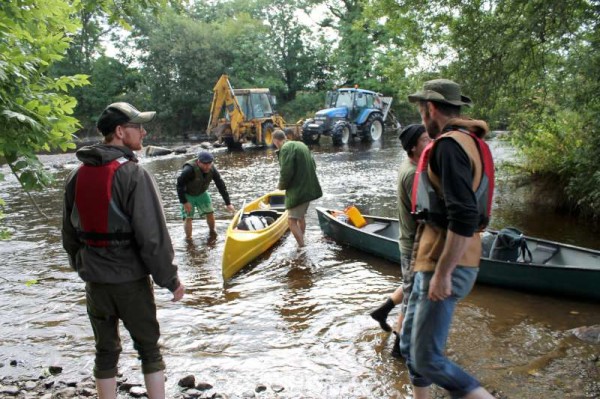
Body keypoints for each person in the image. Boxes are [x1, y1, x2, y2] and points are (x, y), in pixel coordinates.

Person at [61, 102, 186, 399]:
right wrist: (170, 280)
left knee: (105, 351)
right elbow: (152, 237)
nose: (143, 131)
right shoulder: (133, 175)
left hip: (95, 282)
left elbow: (68, 235)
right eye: (137, 126)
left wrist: (83, 266)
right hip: (130, 281)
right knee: (149, 349)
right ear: (120, 132)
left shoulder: (76, 176)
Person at [399, 79, 496, 399]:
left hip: (445, 262)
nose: (422, 117)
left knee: (428, 358)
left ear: (431, 108)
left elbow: (465, 215)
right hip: (429, 257)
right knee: (409, 345)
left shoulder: (449, 147)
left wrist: (443, 273)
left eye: (421, 110)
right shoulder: (465, 142)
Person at [369, 124, 431, 357]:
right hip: (413, 244)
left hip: (408, 240)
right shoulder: (414, 174)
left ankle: (383, 311)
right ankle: (397, 350)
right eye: (426, 140)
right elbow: (424, 216)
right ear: (413, 147)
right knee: (413, 299)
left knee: (410, 285)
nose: (431, 143)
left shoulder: (412, 164)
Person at [271, 129, 322, 247]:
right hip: (310, 188)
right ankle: (302, 239)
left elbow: (286, 171)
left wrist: (281, 186)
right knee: (301, 217)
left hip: (299, 191)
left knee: (291, 221)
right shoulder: (301, 144)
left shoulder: (285, 148)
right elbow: (314, 165)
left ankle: (301, 247)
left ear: (275, 141)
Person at [176, 151, 235, 239]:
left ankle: (212, 232)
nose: (207, 166)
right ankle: (189, 238)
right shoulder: (188, 170)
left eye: (209, 164)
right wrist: (184, 202)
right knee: (188, 217)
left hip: (202, 193)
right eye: (204, 164)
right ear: (198, 162)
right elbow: (179, 185)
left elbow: (220, 184)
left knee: (210, 213)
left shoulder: (212, 169)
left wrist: (228, 203)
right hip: (188, 194)